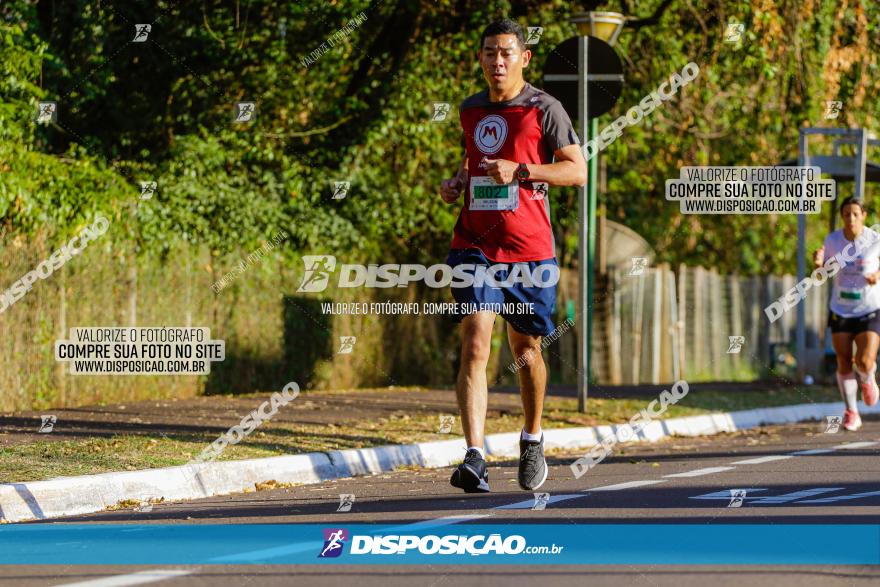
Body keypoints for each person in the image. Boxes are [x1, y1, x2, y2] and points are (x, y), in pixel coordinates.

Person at [439, 19, 586, 492]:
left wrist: (521, 170)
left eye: (506, 53)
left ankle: (532, 436)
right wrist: (458, 181)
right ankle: (475, 456)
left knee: (524, 350)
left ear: (524, 58)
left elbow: (576, 171)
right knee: (476, 341)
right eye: (488, 53)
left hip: (528, 250)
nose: (496, 61)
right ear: (480, 59)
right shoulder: (471, 110)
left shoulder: (546, 108)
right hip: (475, 244)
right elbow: (473, 159)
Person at [814, 196, 880, 431]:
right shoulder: (832, 240)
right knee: (842, 360)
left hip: (869, 309)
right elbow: (822, 275)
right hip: (840, 309)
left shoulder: (874, 239)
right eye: (846, 214)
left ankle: (867, 376)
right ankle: (852, 411)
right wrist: (818, 263)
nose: (850, 219)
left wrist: (876, 276)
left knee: (863, 361)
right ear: (841, 217)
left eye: (855, 214)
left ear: (863, 215)